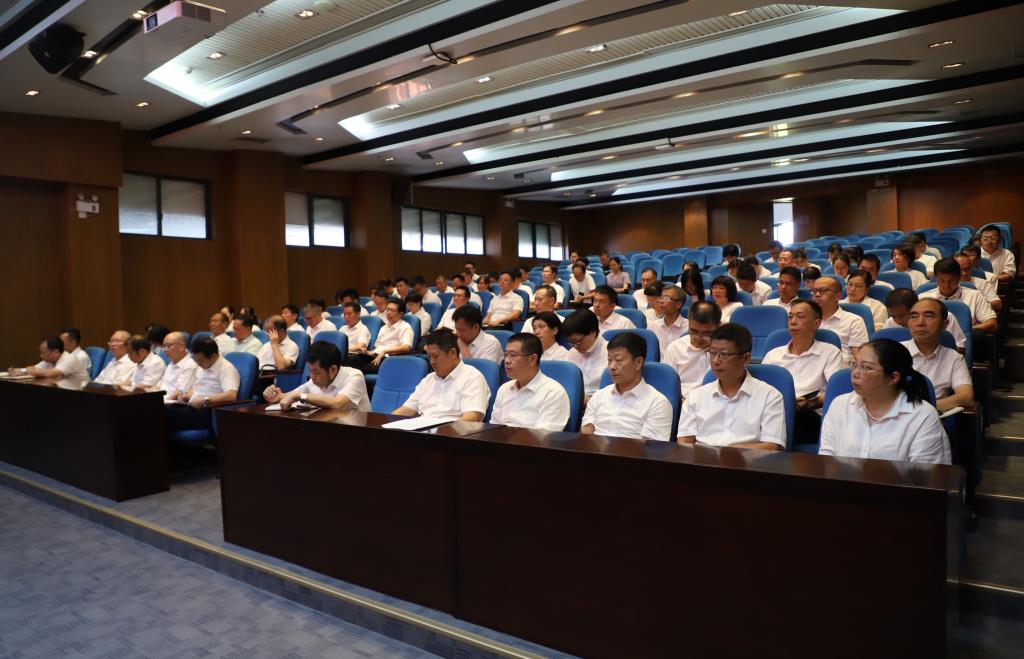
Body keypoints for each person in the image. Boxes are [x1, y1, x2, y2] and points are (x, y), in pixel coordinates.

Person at [819, 339, 950, 464]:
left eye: (866, 367)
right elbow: (827, 460)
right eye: (854, 364)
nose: (855, 373)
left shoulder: (922, 416)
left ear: (893, 378)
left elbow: (926, 475)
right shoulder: (840, 405)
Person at [676, 324, 785, 450]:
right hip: (701, 460)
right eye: (712, 353)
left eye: (724, 354)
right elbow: (684, 440)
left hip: (748, 461)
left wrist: (727, 454)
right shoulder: (696, 396)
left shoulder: (770, 397)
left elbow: (772, 446)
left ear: (745, 359)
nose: (716, 361)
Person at [581, 332, 673, 441]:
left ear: (638, 362)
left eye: (618, 360)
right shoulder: (598, 396)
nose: (612, 367)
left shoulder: (657, 403)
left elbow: (653, 448)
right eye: (609, 360)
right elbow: (586, 434)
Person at [762, 299, 843, 413]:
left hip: (810, 412)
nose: (793, 322)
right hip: (775, 410)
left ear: (816, 324)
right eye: (790, 317)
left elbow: (836, 391)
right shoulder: (773, 355)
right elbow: (760, 389)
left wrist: (810, 403)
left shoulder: (830, 353)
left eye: (799, 316)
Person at [392, 329, 490, 422]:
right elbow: (406, 410)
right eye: (429, 357)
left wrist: (438, 429)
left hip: (453, 432)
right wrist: (387, 423)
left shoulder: (472, 378)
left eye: (435, 356)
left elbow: (472, 419)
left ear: (452, 353)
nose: (432, 362)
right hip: (423, 430)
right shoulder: (428, 380)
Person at [902, 299, 973, 413]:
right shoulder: (893, 352)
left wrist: (922, 410)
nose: (920, 323)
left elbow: (966, 396)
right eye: (914, 316)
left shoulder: (954, 358)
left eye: (928, 316)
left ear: (944, 325)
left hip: (932, 417)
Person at [491, 333, 571, 432]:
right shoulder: (504, 389)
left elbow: (544, 436)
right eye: (506, 354)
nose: (506, 361)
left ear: (532, 359)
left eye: (513, 355)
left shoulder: (554, 393)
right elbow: (493, 428)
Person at [263, 341, 369, 412]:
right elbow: (292, 395)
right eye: (310, 370)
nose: (312, 376)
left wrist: (300, 396)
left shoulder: (354, 376)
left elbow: (336, 403)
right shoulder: (314, 381)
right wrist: (276, 396)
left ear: (333, 369)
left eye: (316, 372)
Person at [163, 336, 239, 433]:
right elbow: (197, 386)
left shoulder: (226, 368)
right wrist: (187, 395)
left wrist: (205, 400)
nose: (198, 363)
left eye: (200, 360)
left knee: (163, 412)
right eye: (195, 360)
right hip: (191, 406)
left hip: (208, 412)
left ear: (213, 356)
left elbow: (232, 395)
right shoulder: (203, 366)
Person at [920, 258, 997, 333]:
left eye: (951, 281)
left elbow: (992, 323)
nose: (947, 285)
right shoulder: (923, 298)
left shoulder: (975, 296)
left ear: (959, 277)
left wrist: (965, 332)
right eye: (942, 281)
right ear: (935, 278)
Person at [663, 301, 720, 400]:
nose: (699, 338)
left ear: (718, 327)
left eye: (706, 333)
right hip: (682, 400)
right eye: (693, 331)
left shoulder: (726, 351)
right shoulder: (675, 348)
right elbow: (668, 386)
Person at [812, 275, 868, 363]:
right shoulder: (808, 320)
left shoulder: (854, 321)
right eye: (815, 291)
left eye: (823, 291)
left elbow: (859, 358)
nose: (817, 294)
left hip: (840, 365)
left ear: (838, 296)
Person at [353, 298, 414, 373]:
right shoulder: (383, 328)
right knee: (351, 359)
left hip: (389, 359)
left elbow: (406, 347)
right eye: (387, 309)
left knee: (354, 366)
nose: (388, 312)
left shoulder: (405, 327)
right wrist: (367, 352)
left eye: (392, 310)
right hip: (376, 356)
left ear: (401, 314)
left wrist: (385, 351)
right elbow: (378, 348)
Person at [562, 309, 608, 396]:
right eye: (571, 342)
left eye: (578, 341)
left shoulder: (610, 353)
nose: (575, 346)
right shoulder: (571, 353)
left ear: (593, 332)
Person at [8, 336, 87, 380]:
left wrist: (26, 371)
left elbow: (50, 374)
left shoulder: (69, 359)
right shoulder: (49, 360)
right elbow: (33, 368)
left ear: (56, 351)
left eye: (44, 353)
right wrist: (18, 371)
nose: (41, 356)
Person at [156, 332, 198, 402]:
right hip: (163, 400)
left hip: (172, 403)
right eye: (164, 346)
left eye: (168, 346)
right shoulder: (172, 363)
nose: (165, 350)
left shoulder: (190, 364)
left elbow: (179, 392)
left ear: (181, 347)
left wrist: (159, 403)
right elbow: (160, 385)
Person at [650, 285, 689, 355]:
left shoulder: (689, 327)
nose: (661, 301)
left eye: (666, 298)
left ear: (678, 304)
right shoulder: (653, 326)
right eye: (661, 297)